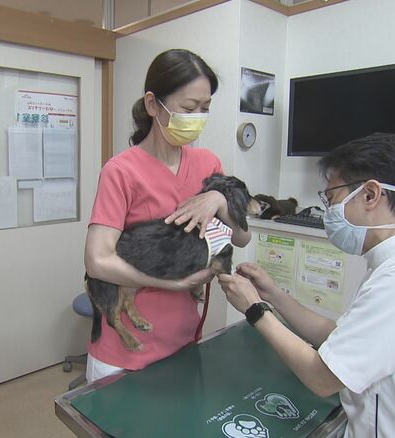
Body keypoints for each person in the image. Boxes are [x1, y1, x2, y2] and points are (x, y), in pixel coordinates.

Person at [218, 133, 395, 436]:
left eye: (331, 199)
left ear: (370, 195)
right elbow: (341, 338)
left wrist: (255, 309)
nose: (329, 211)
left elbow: (322, 378)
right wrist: (274, 294)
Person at [84, 49, 252, 382]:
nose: (198, 118)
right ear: (153, 105)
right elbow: (97, 261)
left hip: (184, 341)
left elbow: (242, 237)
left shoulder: (208, 165)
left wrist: (218, 199)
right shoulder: (121, 171)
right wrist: (172, 283)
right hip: (126, 352)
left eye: (205, 108)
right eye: (189, 108)